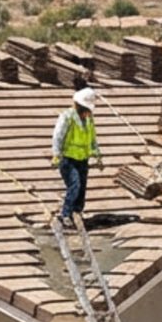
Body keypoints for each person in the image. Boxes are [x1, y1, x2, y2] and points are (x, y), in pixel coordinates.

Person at [51, 87, 102, 227]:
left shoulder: (89, 119)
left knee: (82, 187)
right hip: (68, 159)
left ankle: (77, 211)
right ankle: (66, 214)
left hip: (83, 159)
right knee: (75, 185)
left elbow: (92, 138)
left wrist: (97, 155)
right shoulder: (67, 116)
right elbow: (58, 136)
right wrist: (56, 155)